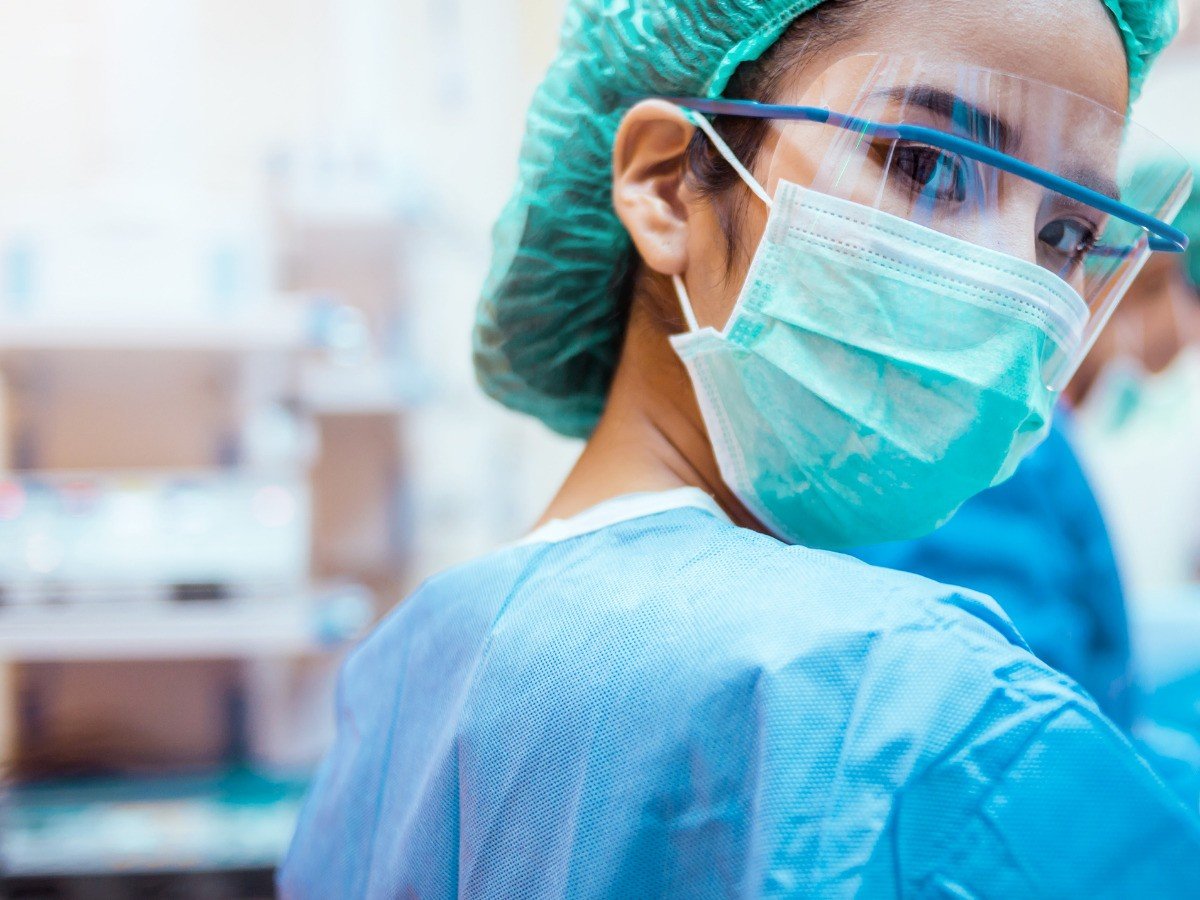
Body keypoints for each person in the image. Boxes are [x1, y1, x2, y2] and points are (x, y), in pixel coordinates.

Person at [281, 1, 1200, 896]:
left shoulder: (402, 685)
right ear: (666, 183)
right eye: (926, 164)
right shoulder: (919, 715)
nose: (1011, 281)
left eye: (1066, 234)